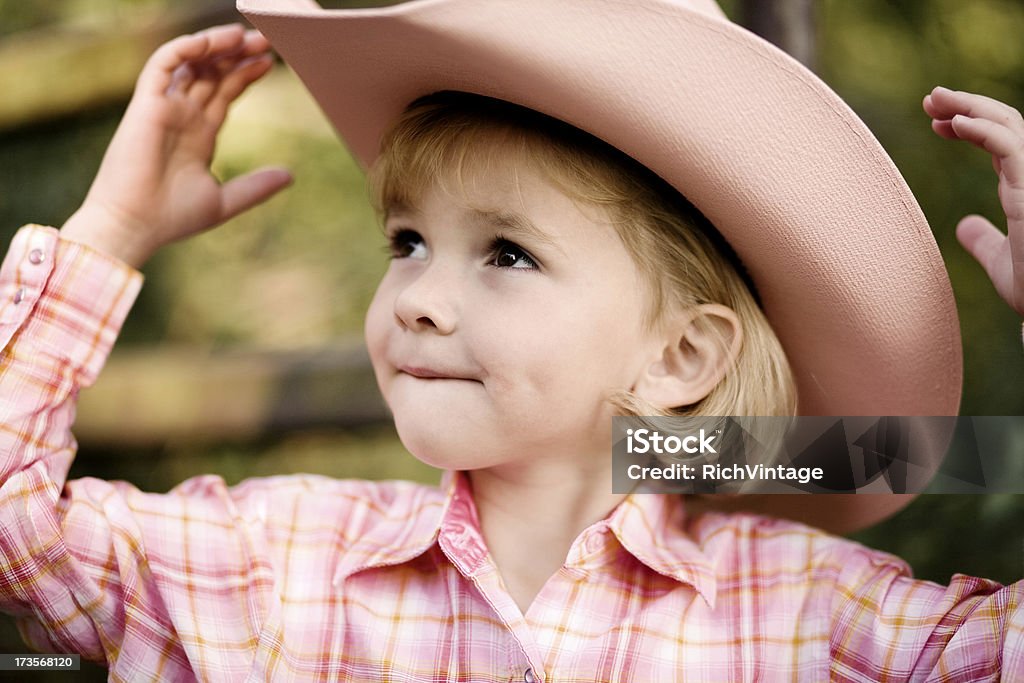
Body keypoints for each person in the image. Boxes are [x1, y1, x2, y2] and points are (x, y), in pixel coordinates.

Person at [0, 1, 1021, 680]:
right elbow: (21, 537)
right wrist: (111, 231)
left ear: (678, 357)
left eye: (507, 254)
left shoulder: (799, 608)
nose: (418, 299)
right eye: (407, 240)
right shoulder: (276, 561)